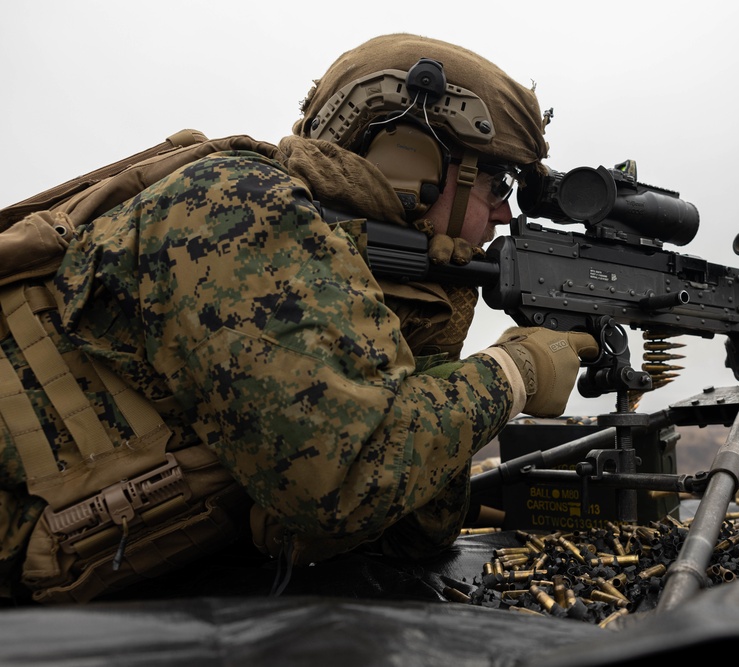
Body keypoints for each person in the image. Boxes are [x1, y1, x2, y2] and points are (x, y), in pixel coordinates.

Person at [0, 33, 599, 604]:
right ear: (411, 158)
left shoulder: (350, 270)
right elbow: (343, 484)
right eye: (499, 185)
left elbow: (410, 535)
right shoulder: (238, 206)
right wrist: (513, 372)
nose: (501, 215)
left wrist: (435, 332)